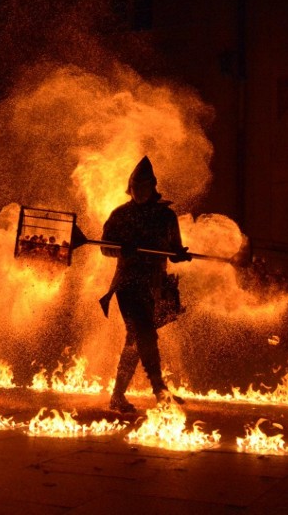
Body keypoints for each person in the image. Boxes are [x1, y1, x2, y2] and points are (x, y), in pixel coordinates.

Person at [99, 156, 192, 413]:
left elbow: (173, 249)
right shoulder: (120, 215)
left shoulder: (166, 216)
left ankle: (117, 396)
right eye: (135, 187)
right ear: (130, 188)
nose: (139, 192)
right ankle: (158, 388)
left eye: (144, 187)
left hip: (156, 286)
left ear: (153, 186)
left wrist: (179, 255)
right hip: (128, 284)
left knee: (136, 339)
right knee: (144, 334)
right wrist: (121, 250)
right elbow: (105, 248)